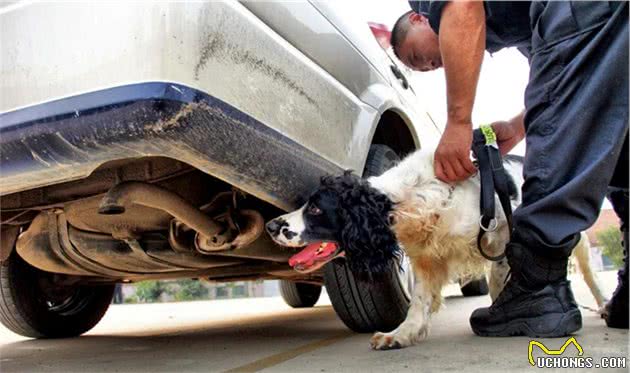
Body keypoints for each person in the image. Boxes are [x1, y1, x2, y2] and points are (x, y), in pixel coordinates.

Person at [391, 1, 629, 336]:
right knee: (620, 140)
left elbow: (461, 5)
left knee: (557, 139)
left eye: (418, 56)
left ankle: (539, 289)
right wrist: (519, 127)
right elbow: (573, 87)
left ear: (419, 17)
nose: (431, 64)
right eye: (427, 69)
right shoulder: (522, 28)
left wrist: (458, 122)